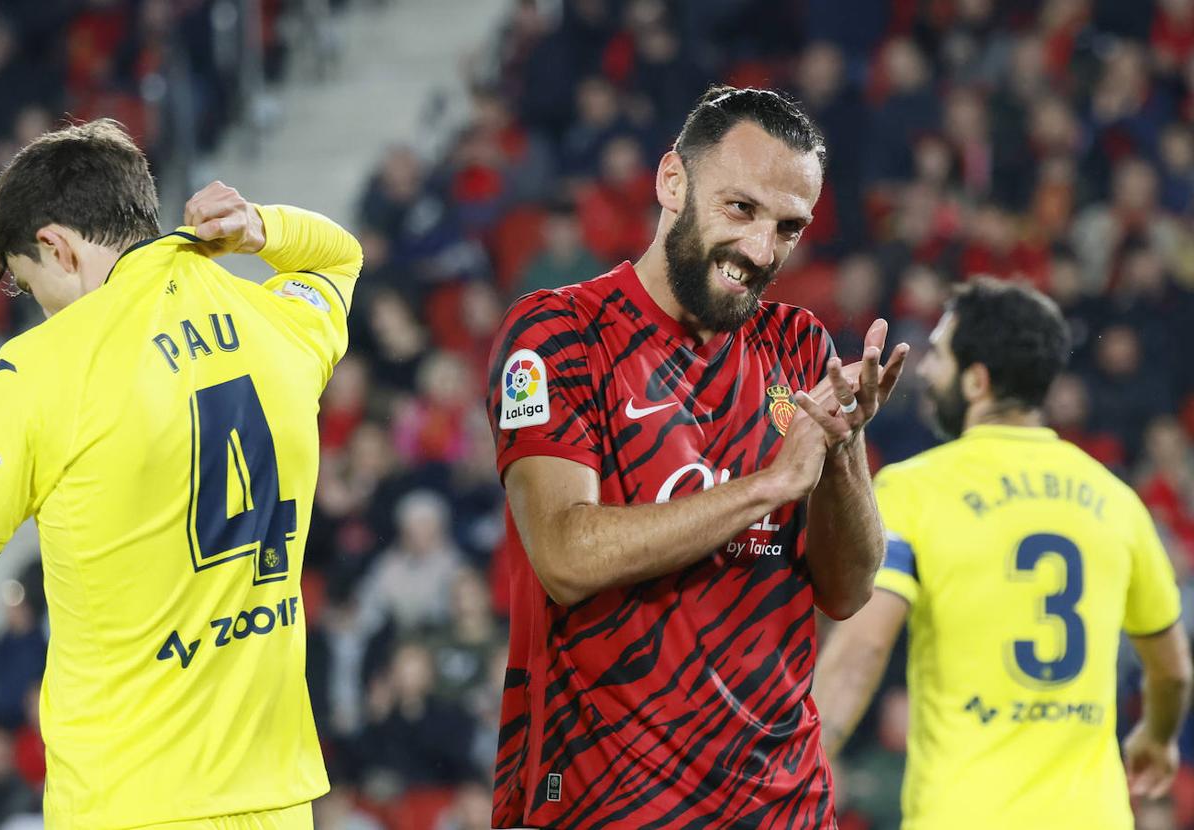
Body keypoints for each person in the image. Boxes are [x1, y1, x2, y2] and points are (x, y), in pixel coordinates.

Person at [485, 85, 909, 829]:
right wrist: (770, 484)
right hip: (606, 803)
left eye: (788, 227)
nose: (760, 250)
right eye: (741, 209)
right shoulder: (561, 332)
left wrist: (841, 453)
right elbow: (565, 554)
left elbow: (847, 590)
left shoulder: (799, 347)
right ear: (671, 182)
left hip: (782, 805)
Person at [0, 119, 363, 828]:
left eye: (28, 286)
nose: (36, 310)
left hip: (127, 800)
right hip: (275, 798)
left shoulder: (39, 369)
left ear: (57, 247)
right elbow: (337, 261)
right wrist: (264, 227)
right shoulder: (277, 322)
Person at [813, 278, 1193, 829]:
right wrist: (1156, 739)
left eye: (939, 355)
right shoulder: (1115, 500)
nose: (923, 370)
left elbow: (860, 655)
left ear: (976, 379)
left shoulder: (915, 490)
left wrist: (795, 769)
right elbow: (1173, 671)